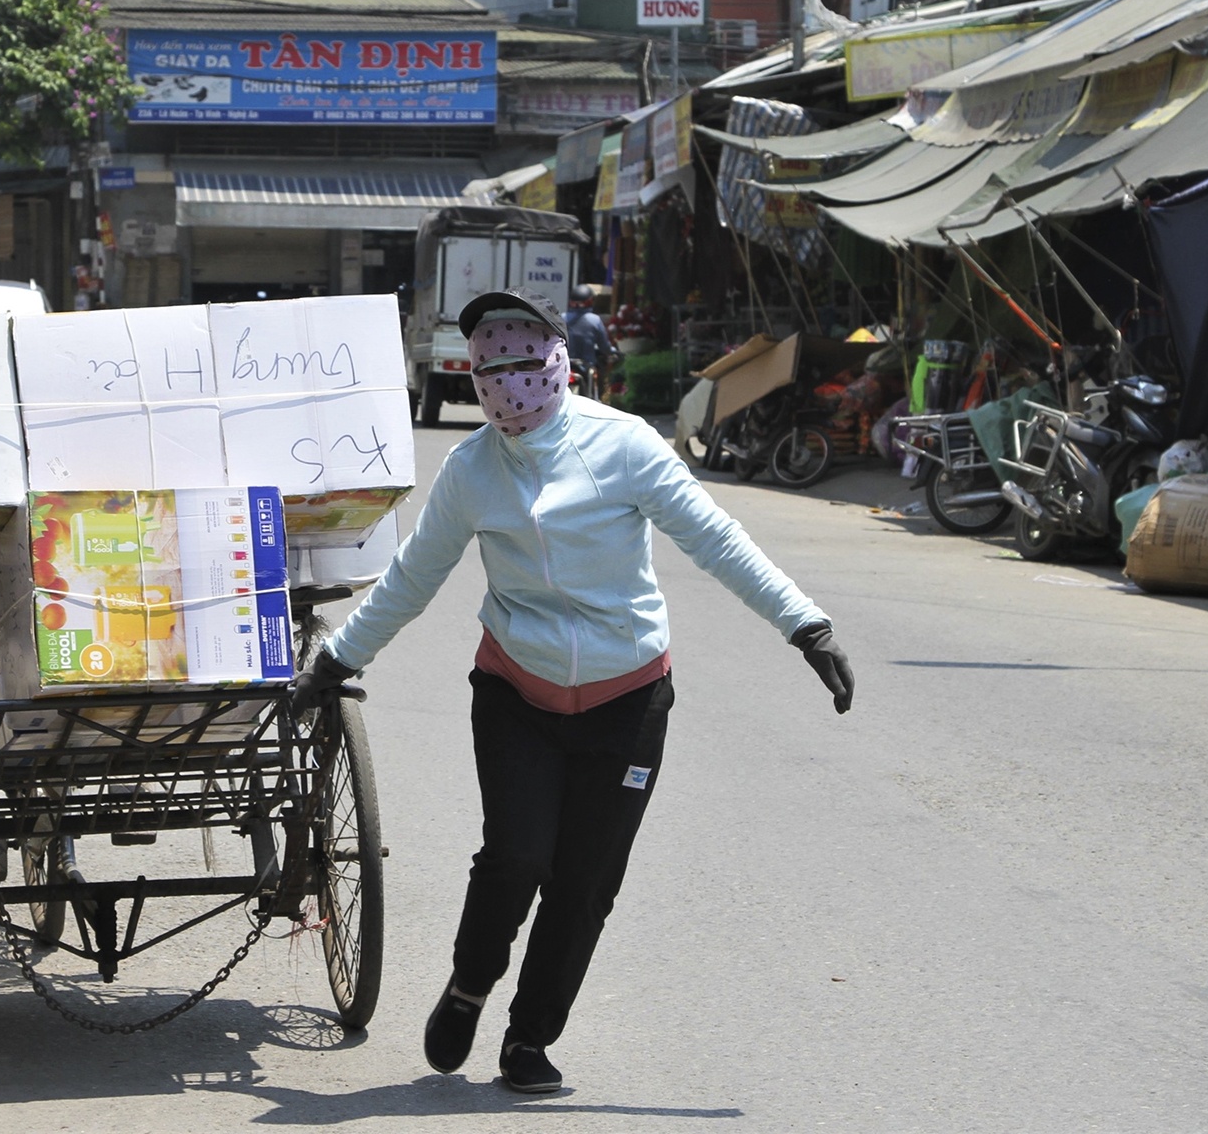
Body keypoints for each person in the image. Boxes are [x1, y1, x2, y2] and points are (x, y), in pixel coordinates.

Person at [291, 287, 855, 1095]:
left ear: (562, 365)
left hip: (628, 698)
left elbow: (715, 537)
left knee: (586, 879)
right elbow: (414, 576)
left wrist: (806, 626)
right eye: (493, 371)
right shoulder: (471, 470)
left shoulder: (623, 445)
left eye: (525, 365)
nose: (510, 386)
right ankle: (470, 983)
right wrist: (338, 661)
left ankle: (528, 1040)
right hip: (517, 691)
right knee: (517, 855)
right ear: (474, 380)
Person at [564, 283, 618, 397]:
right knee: (599, 384)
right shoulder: (595, 320)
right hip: (586, 366)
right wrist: (612, 351)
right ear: (590, 302)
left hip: (564, 365)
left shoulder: (562, 318)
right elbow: (604, 346)